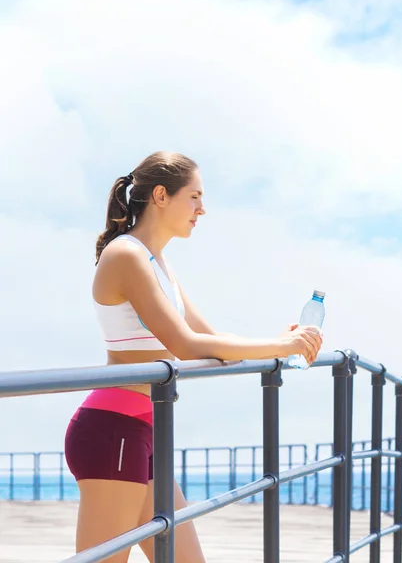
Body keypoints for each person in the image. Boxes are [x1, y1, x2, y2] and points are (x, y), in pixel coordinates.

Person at [64, 151, 323, 563]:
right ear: (162, 196)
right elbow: (186, 345)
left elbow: (211, 337)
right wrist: (281, 349)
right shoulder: (126, 254)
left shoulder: (158, 263)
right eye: (195, 197)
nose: (203, 209)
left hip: (145, 429)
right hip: (113, 429)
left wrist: (277, 340)